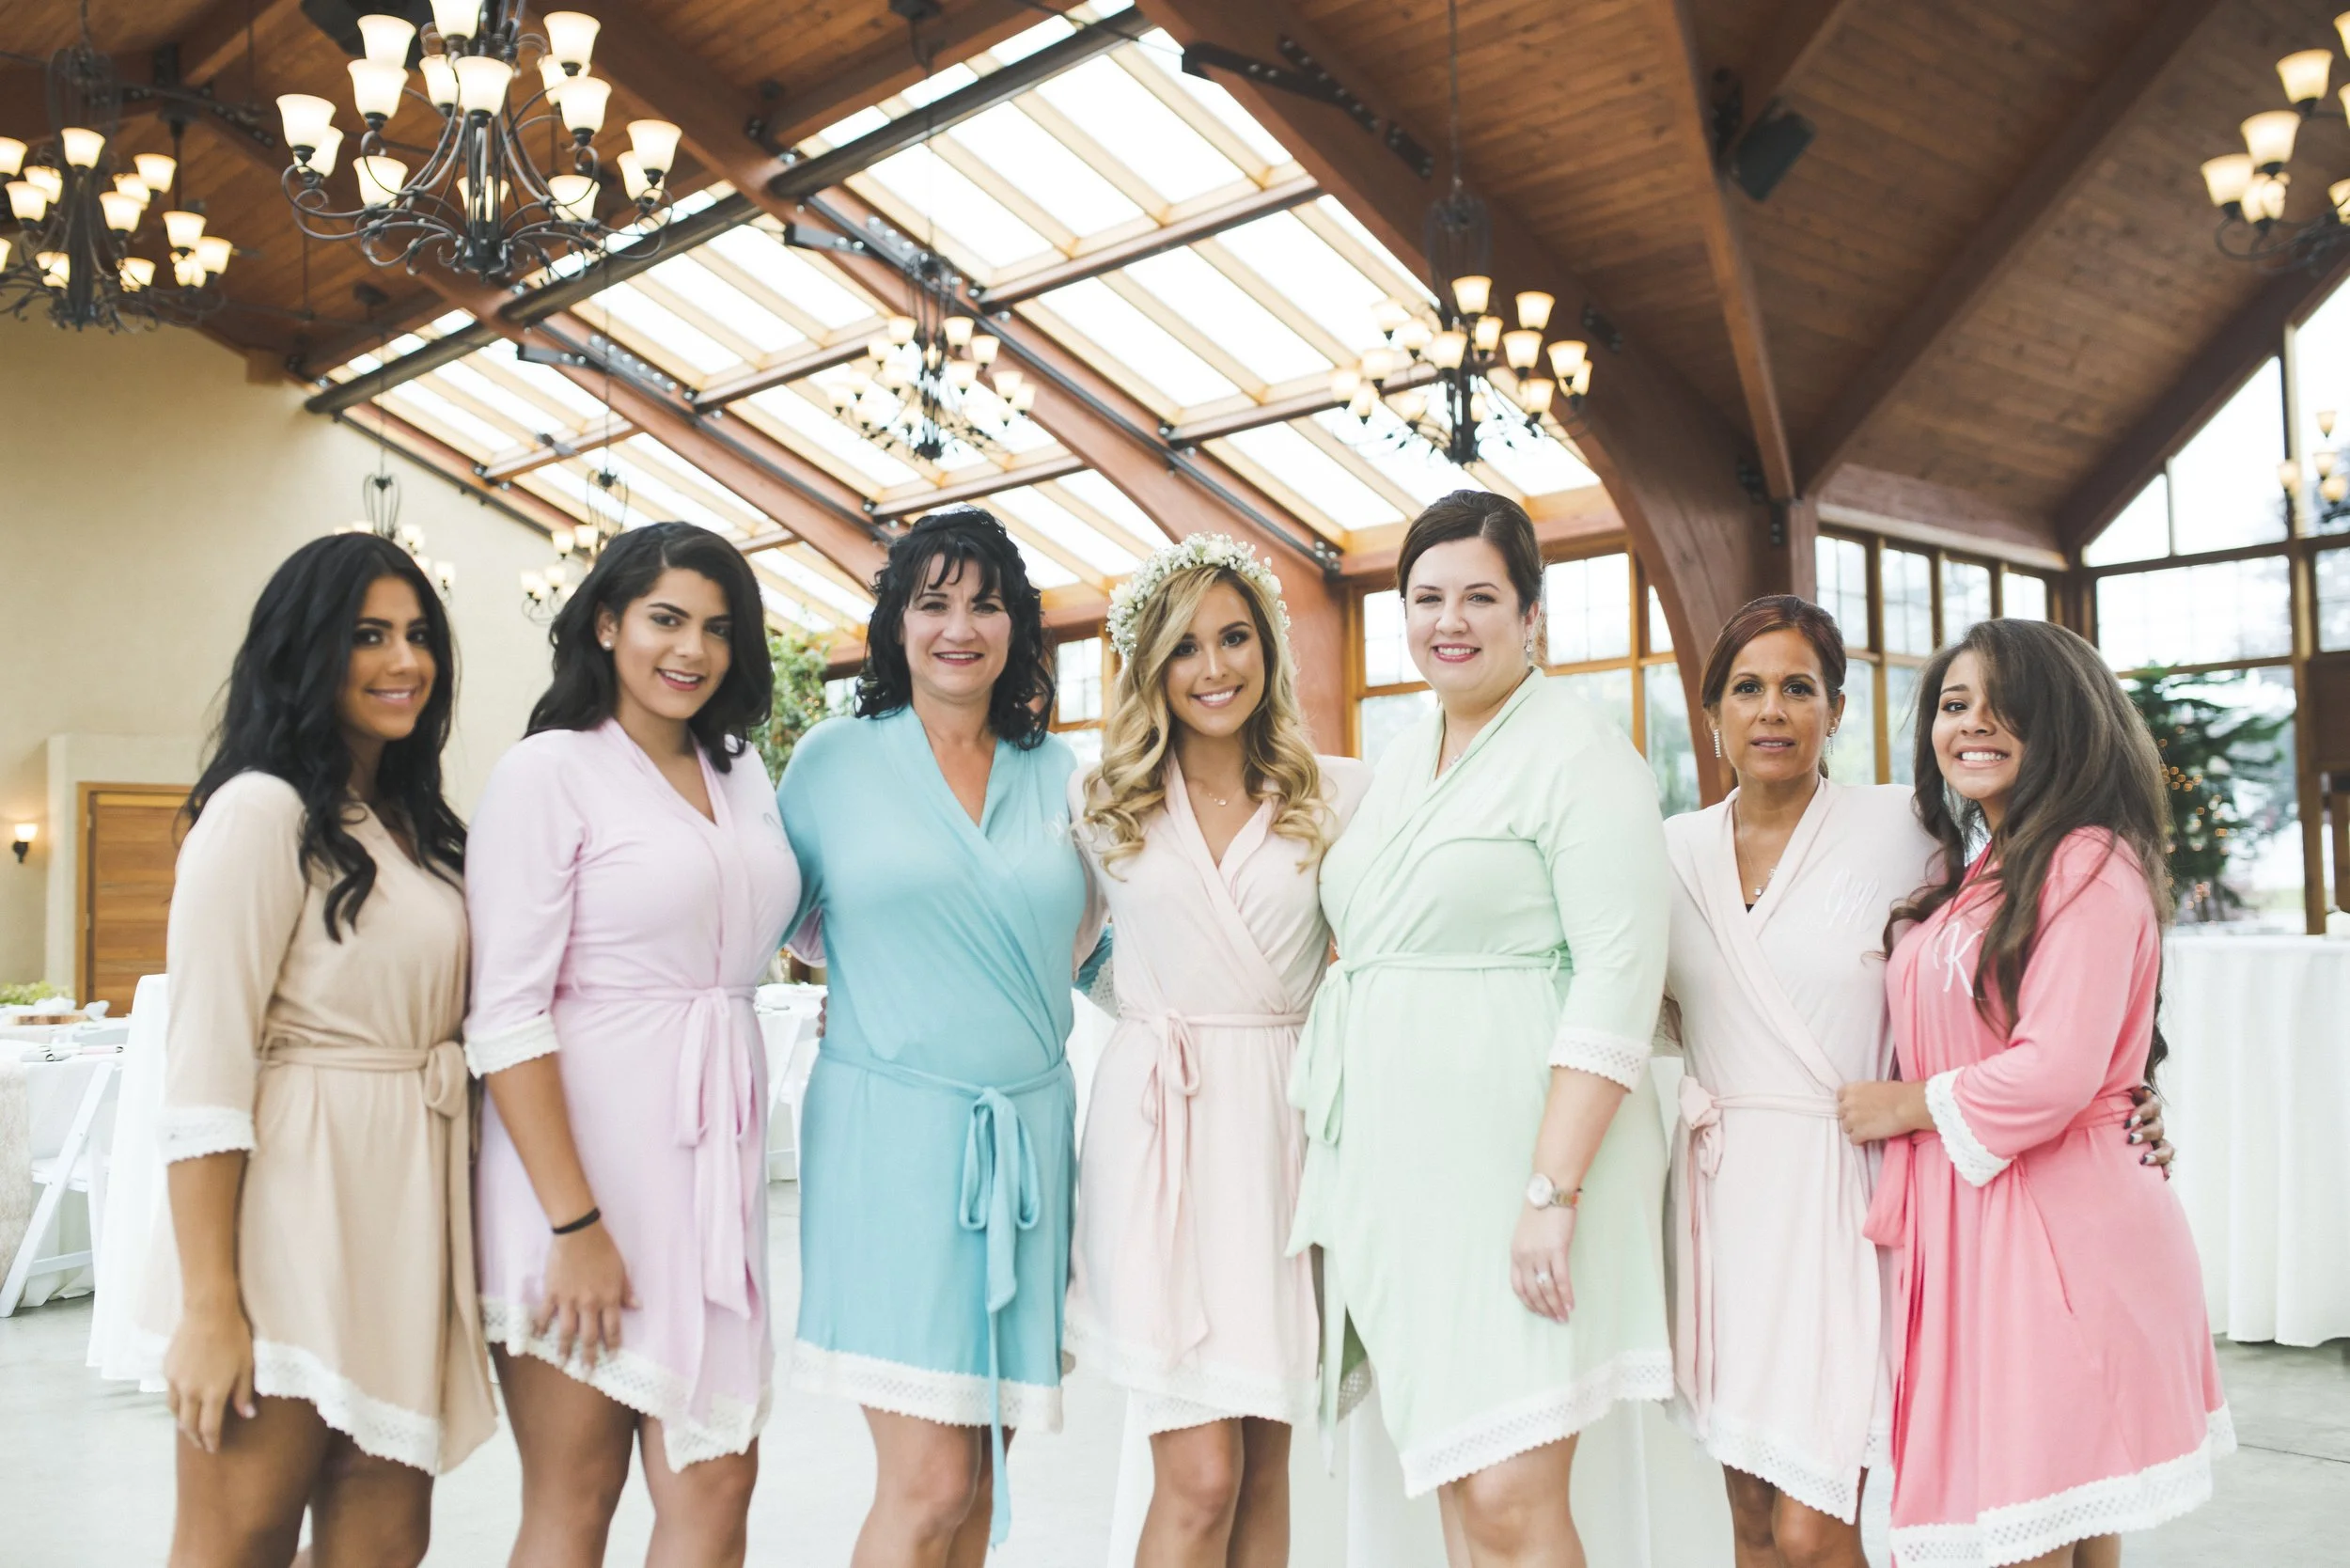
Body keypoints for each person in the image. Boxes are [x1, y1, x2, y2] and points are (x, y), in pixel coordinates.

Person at [1661, 599, 2171, 1568]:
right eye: (1747, 688)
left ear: (1837, 709)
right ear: (1712, 711)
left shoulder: (1909, 828)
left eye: (1798, 688)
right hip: (1725, 1198)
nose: (1772, 710)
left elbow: (2024, 981)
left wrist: (2118, 1095)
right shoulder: (1668, 850)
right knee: (1752, 1515)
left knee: (1837, 1521)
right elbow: (1627, 1004)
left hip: (1862, 1189)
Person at [1292, 491, 1671, 1568]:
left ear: (1531, 615)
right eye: (1426, 598)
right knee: (1460, 1476)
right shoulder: (1404, 756)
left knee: (1510, 1490)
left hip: (1526, 1166)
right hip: (1411, 1178)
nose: (1448, 621)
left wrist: (1551, 1193)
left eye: (1479, 597)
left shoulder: (1579, 755)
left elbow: (1618, 977)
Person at [1840, 619, 2228, 1568]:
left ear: (2063, 722)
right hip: (1985, 1224)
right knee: (2059, 1524)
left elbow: (2057, 1065)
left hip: (2056, 1231)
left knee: (2029, 1524)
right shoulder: (1986, 863)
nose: (1971, 724)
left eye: (2002, 704)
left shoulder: (2086, 859)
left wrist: (1905, 1105)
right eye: (1953, 704)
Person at [148, 532, 493, 1568]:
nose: (405, 662)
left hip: (405, 1210)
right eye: (368, 636)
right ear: (304, 651)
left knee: (386, 1540)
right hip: (289, 1218)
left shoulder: (415, 826)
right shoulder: (260, 812)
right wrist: (211, 1305)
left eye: (419, 636)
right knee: (239, 1536)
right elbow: (204, 1074)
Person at [466, 523, 799, 1568]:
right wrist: (575, 1225)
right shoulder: (546, 772)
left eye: (718, 628)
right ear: (606, 624)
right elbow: (504, 1015)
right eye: (666, 619)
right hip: (578, 1177)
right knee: (578, 1493)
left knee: (722, 1483)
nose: (693, 649)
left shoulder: (740, 770)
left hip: (710, 1174)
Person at [778, 508, 1106, 1566]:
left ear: (1018, 628)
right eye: (934, 604)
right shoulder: (832, 762)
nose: (960, 627)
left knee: (982, 1479)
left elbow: (1099, 948)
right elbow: (781, 920)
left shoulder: (1064, 775)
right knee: (928, 1485)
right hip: (891, 1146)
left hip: (1029, 1149)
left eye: (986, 604)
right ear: (897, 624)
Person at [1065, 535, 1372, 1568]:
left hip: (1285, 1130)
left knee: (1265, 1460)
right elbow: (1063, 953)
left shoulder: (1339, 796)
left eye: (1234, 638)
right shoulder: (1098, 798)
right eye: (1186, 646)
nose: (1213, 668)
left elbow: (1394, 948)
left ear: (1269, 648)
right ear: (1150, 664)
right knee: (1199, 1477)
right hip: (1161, 1131)